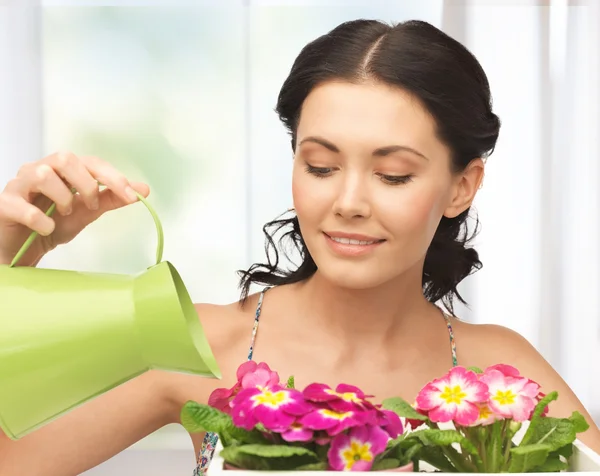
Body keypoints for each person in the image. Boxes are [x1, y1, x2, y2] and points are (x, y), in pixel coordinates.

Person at [0, 18, 599, 476]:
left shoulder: (500, 374)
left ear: (460, 187)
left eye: (392, 175)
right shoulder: (200, 347)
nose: (349, 201)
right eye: (320, 166)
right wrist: (8, 253)